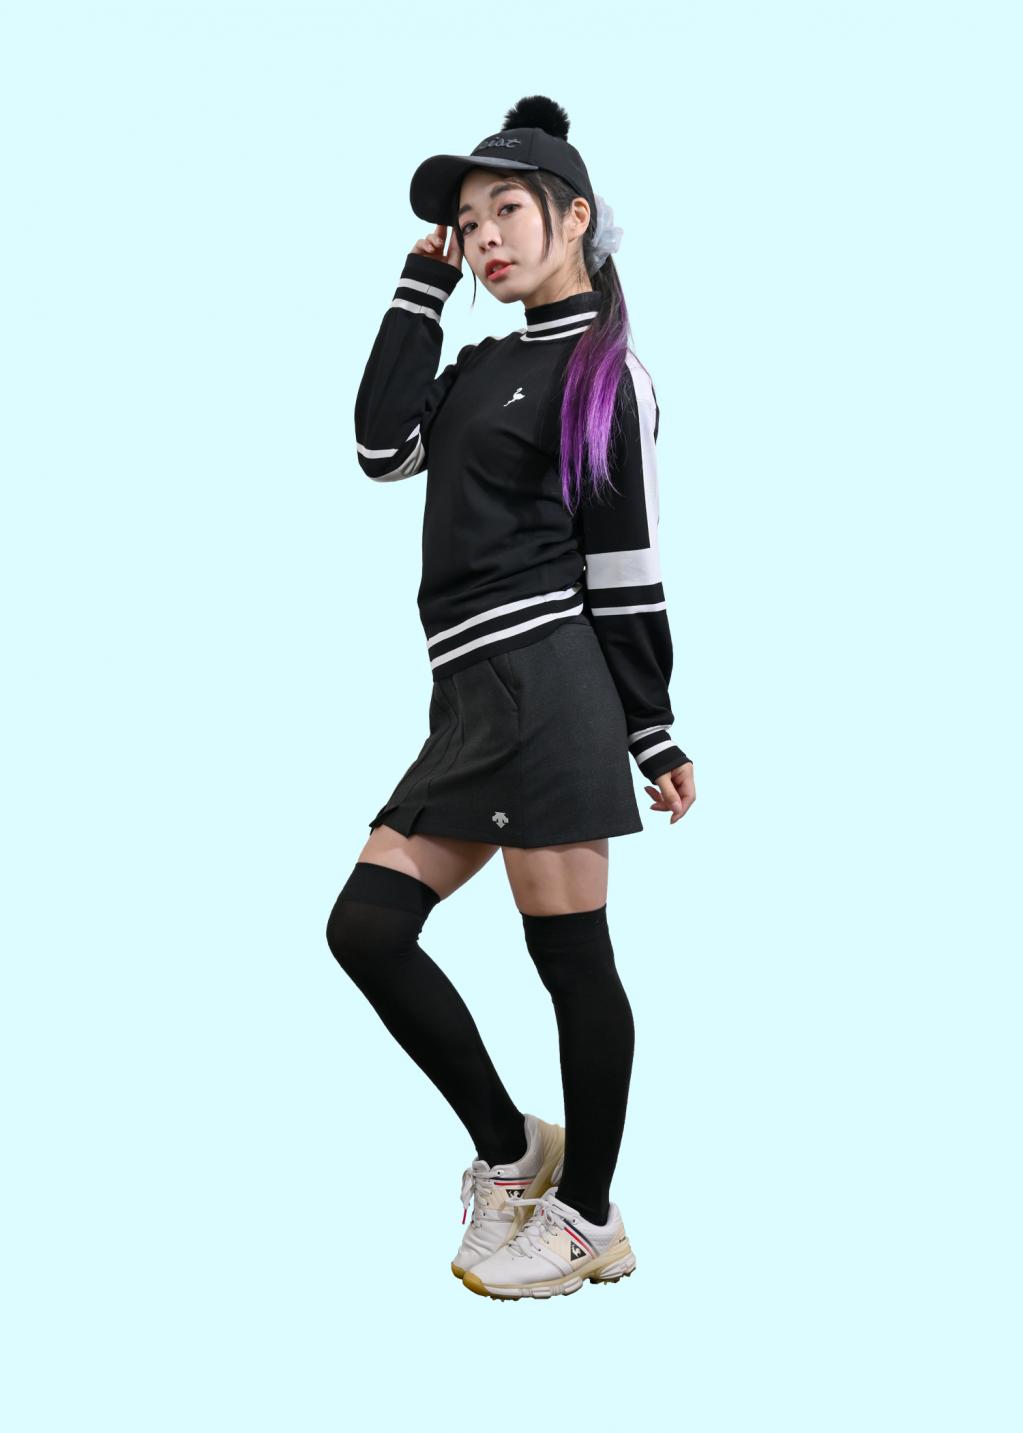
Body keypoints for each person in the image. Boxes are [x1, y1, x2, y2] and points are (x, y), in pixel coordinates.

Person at [326, 95, 696, 1300]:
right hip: (470, 698)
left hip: (551, 683)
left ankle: (587, 1214)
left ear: (574, 216)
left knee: (569, 957)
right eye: (469, 221)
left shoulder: (608, 375)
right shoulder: (482, 364)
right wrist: (420, 288)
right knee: (365, 927)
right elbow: (380, 449)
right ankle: (513, 1147)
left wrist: (653, 728)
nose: (485, 237)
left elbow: (626, 567)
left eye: (506, 212)